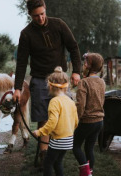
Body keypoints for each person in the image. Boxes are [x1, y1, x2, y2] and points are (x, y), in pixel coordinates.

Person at [12, 0, 81, 164]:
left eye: (42, 14)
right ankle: (44, 155)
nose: (40, 18)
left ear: (45, 10)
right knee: (43, 117)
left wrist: (77, 71)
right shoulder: (26, 34)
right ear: (30, 14)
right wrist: (17, 88)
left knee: (65, 114)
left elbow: (73, 47)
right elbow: (21, 62)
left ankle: (60, 151)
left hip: (60, 78)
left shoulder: (59, 25)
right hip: (40, 79)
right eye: (36, 16)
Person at [32, 66, 79, 176]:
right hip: (69, 139)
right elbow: (76, 121)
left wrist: (40, 132)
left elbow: (51, 123)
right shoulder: (70, 101)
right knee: (58, 161)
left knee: (48, 163)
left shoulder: (54, 101)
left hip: (58, 139)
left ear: (50, 86)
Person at [72, 53, 106, 176]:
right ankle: (89, 172)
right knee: (89, 148)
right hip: (99, 122)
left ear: (89, 66)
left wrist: (76, 120)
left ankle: (85, 173)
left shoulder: (84, 82)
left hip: (87, 121)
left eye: (85, 63)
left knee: (75, 146)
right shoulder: (102, 82)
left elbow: (80, 105)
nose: (83, 65)